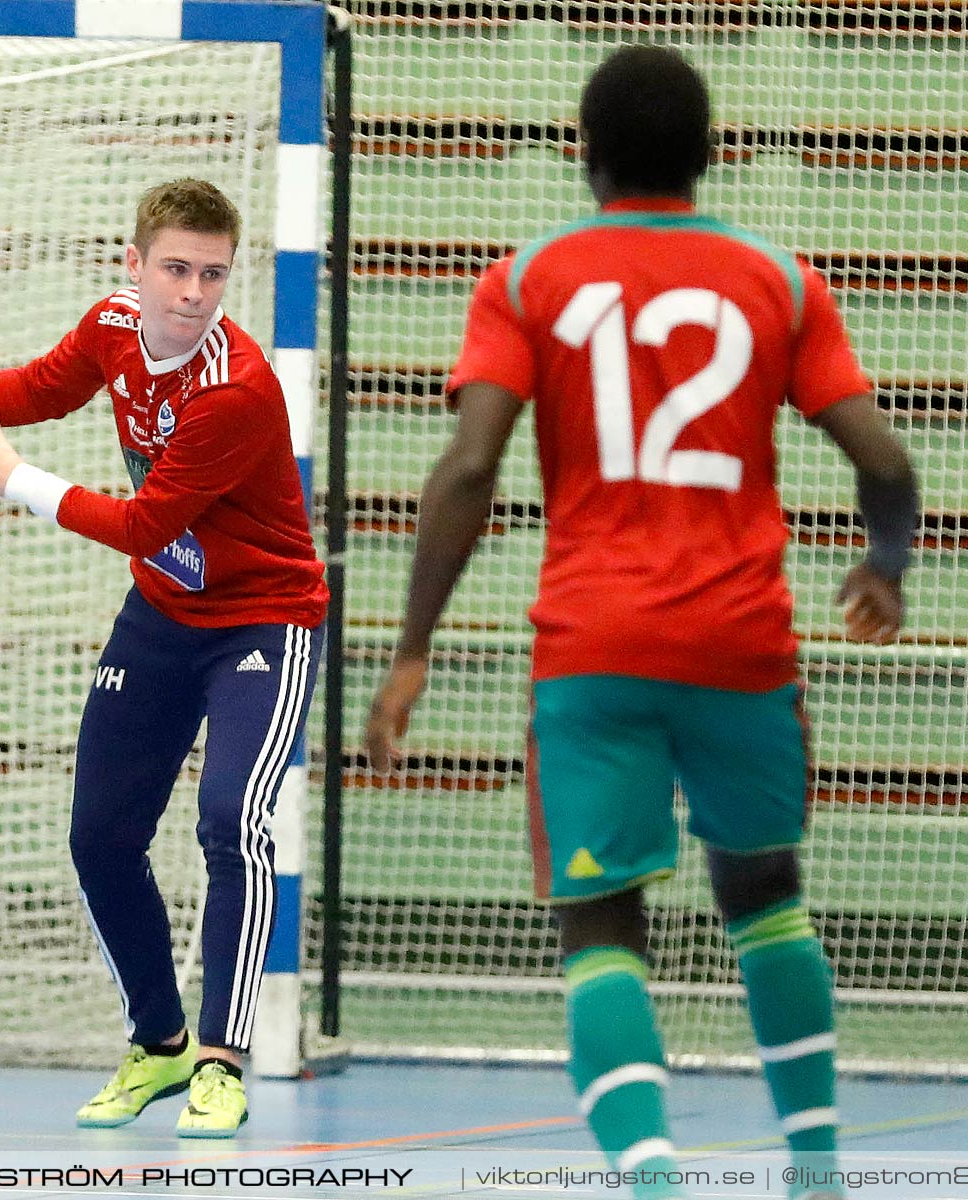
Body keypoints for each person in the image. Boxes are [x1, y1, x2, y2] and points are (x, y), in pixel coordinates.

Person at [363, 47, 918, 1200]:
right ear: (708, 157)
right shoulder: (780, 279)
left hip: (594, 649)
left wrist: (411, 647)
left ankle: (654, 1181)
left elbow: (469, 469)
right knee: (764, 898)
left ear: (583, 150)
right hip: (741, 645)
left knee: (599, 921)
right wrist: (883, 564)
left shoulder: (526, 281)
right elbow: (883, 456)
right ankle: (813, 1173)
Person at [0, 178, 328, 1138]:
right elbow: (39, 386)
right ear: (136, 265)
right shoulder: (116, 327)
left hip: (262, 620)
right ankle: (156, 1045)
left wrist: (7, 476)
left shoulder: (237, 388)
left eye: (213, 275)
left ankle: (221, 1061)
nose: (194, 293)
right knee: (101, 836)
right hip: (163, 613)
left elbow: (146, 520)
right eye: (176, 270)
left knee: (232, 817)